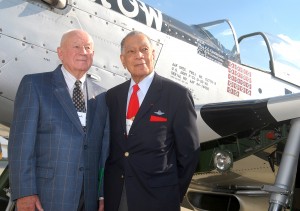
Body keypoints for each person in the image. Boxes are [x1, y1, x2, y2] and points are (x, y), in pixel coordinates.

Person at [8, 29, 109, 211]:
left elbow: (104, 151)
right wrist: (24, 192)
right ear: (60, 52)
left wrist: (102, 194)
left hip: (87, 201)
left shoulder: (102, 97)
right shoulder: (35, 85)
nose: (83, 52)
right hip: (44, 197)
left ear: (93, 55)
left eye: (87, 48)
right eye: (76, 46)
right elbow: (21, 144)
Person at [104, 31, 200, 211]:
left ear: (153, 55)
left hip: (159, 200)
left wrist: (171, 194)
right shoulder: (112, 97)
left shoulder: (177, 95)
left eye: (144, 49)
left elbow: (189, 154)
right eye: (131, 52)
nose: (139, 55)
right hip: (117, 197)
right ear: (123, 60)